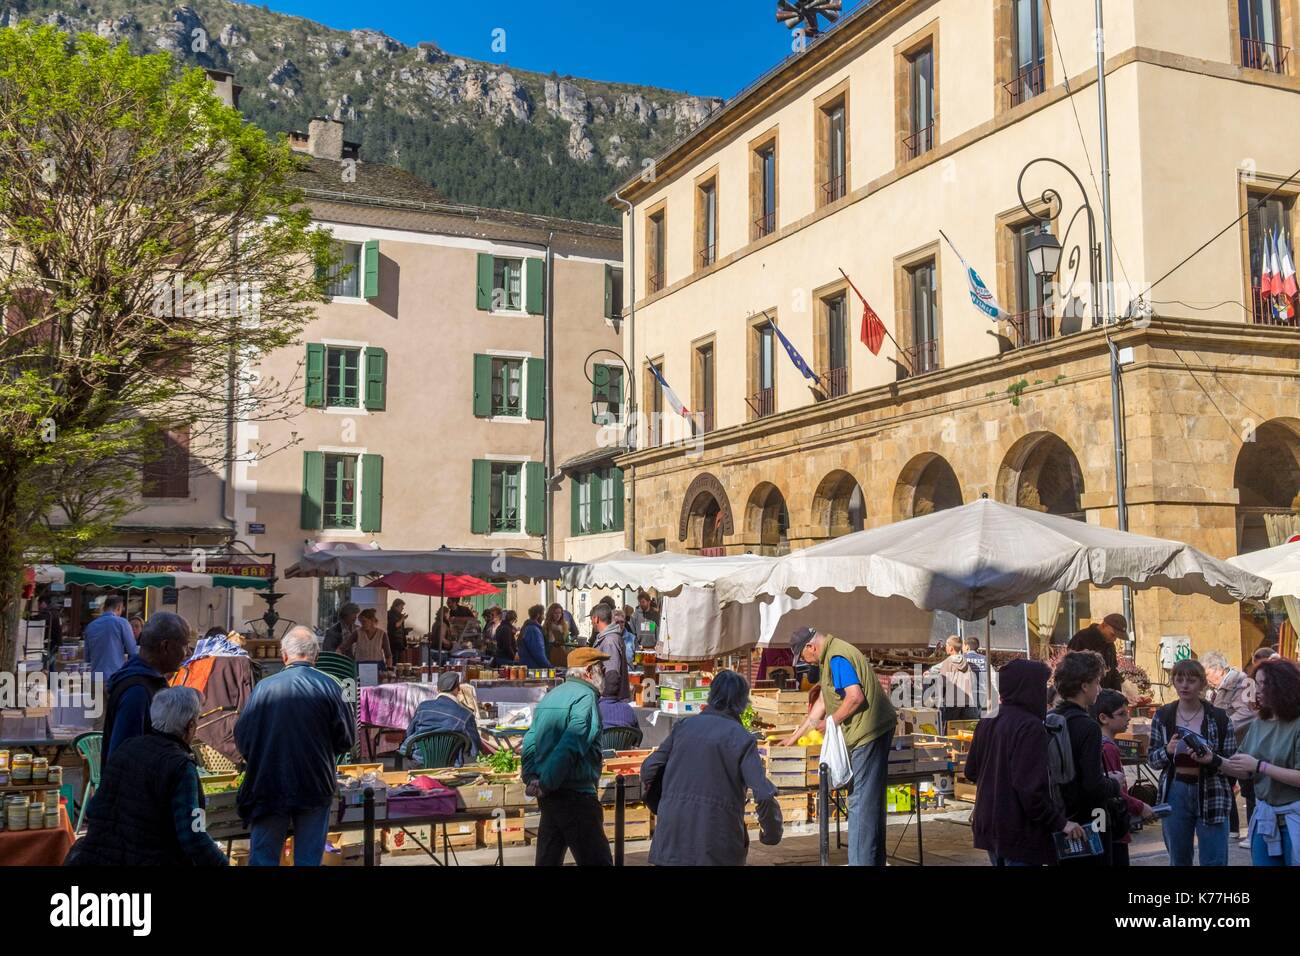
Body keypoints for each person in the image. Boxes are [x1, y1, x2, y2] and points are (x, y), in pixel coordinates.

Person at [234, 626, 354, 866]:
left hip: (269, 783)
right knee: (308, 859)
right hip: (315, 782)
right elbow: (346, 740)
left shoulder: (263, 688)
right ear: (316, 656)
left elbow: (242, 737)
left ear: (284, 655)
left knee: (264, 858)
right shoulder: (331, 687)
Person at [66, 687, 227, 866]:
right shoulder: (180, 766)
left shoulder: (127, 748)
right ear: (190, 726)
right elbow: (193, 835)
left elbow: (94, 808)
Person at [780, 627, 896, 865]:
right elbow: (823, 701)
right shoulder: (829, 657)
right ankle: (872, 860)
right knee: (869, 802)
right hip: (868, 733)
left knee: (860, 803)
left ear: (811, 647)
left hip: (868, 734)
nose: (805, 662)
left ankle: (860, 862)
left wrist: (832, 721)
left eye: (803, 656)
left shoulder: (837, 657)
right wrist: (793, 738)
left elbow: (855, 696)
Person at [641, 669, 782, 865]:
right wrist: (772, 833)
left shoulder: (684, 727)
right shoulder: (742, 738)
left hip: (672, 837)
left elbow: (649, 768)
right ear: (742, 703)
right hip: (716, 841)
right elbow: (764, 794)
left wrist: (664, 803)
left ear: (712, 694)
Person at [965, 659, 1084, 865]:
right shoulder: (1030, 726)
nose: (1044, 690)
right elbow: (1029, 789)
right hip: (1019, 830)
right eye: (1041, 685)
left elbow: (971, 771)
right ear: (1028, 687)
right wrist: (1060, 823)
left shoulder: (988, 719)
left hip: (990, 824)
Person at [522, 647, 612, 866]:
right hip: (575, 794)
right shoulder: (585, 697)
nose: (605, 674)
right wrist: (546, 782)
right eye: (603, 668)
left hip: (551, 795)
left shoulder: (552, 695)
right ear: (590, 671)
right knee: (597, 860)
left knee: (547, 860)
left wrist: (532, 776)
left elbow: (530, 739)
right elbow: (571, 743)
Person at [1148, 658, 1237, 866]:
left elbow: (1233, 763)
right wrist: (1168, 751)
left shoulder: (1219, 717)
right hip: (1175, 789)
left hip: (1212, 790)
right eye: (1179, 680)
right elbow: (1152, 759)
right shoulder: (1163, 715)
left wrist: (1212, 758)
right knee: (1178, 858)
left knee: (1214, 859)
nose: (1184, 685)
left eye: (1191, 680)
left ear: (1202, 684)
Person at [1223, 657, 1300, 867]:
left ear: (1284, 686)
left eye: (1265, 684)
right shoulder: (1260, 723)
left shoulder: (1297, 725)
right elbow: (1243, 767)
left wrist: (1259, 766)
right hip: (1266, 818)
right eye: (1256, 683)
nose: (1258, 690)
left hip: (1295, 820)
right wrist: (1213, 760)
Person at [1049, 651, 1123, 866]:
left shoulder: (1051, 719)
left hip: (1061, 816)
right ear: (1084, 686)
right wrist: (1115, 783)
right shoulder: (1088, 726)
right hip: (1091, 818)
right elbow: (1093, 784)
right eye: (1097, 682)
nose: (1099, 689)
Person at [102, 612, 192, 762]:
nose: (188, 653)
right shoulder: (138, 692)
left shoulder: (145, 682)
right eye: (185, 645)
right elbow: (123, 758)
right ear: (166, 646)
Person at [1093, 688, 1157, 866]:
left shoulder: (1100, 743)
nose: (1127, 718)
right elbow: (1115, 793)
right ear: (1103, 718)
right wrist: (1139, 806)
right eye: (1121, 714)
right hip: (1114, 823)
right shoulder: (1108, 748)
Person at [1203, 649, 1258, 841]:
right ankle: (1232, 829)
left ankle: (1253, 833)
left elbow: (1248, 714)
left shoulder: (1244, 682)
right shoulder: (1215, 688)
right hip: (1225, 745)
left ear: (1218, 669)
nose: (1207, 679)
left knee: (1248, 789)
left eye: (1208, 674)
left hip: (1243, 744)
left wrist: (1222, 728)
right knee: (1226, 785)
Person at [402, 672, 503, 764]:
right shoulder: (466, 715)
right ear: (458, 689)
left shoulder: (423, 707)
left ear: (438, 689)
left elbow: (409, 733)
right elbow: (475, 749)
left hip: (418, 762)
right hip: (451, 765)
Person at [588, 604, 633, 720]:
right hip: (611, 703)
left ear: (596, 619)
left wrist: (605, 702)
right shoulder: (607, 638)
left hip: (612, 705)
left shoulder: (610, 641)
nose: (591, 622)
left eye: (591, 619)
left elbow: (612, 675)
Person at [84, 595, 138, 689]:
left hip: (95, 679)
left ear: (104, 608)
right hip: (115, 678)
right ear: (118, 607)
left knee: (98, 704)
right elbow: (133, 652)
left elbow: (87, 658)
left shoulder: (90, 626)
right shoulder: (122, 623)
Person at [1066, 614, 1127, 691]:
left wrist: (1118, 694)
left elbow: (1113, 671)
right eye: (1112, 634)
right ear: (1104, 625)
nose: (1114, 639)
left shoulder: (1110, 645)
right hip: (1083, 697)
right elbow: (1070, 671)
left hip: (1104, 696)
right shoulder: (1081, 638)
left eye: (1116, 637)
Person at [929, 636, 978, 730]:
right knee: (967, 730)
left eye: (946, 645)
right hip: (968, 701)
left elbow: (942, 683)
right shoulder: (965, 662)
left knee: (949, 729)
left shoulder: (948, 662)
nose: (945, 647)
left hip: (952, 703)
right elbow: (973, 681)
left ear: (951, 648)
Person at [963, 636, 990, 713]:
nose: (963, 648)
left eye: (963, 646)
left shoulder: (963, 657)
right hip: (982, 691)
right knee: (979, 714)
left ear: (967, 646)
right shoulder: (984, 658)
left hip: (968, 692)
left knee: (970, 717)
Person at [519, 604, 549, 669]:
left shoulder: (527, 627)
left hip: (528, 666)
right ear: (538, 615)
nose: (544, 618)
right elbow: (538, 653)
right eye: (543, 614)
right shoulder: (533, 630)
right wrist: (550, 667)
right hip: (533, 668)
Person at [544, 603, 570, 668]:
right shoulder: (546, 626)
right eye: (555, 613)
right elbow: (545, 643)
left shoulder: (564, 626)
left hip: (562, 655)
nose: (558, 615)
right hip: (550, 656)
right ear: (551, 614)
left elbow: (567, 642)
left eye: (560, 613)